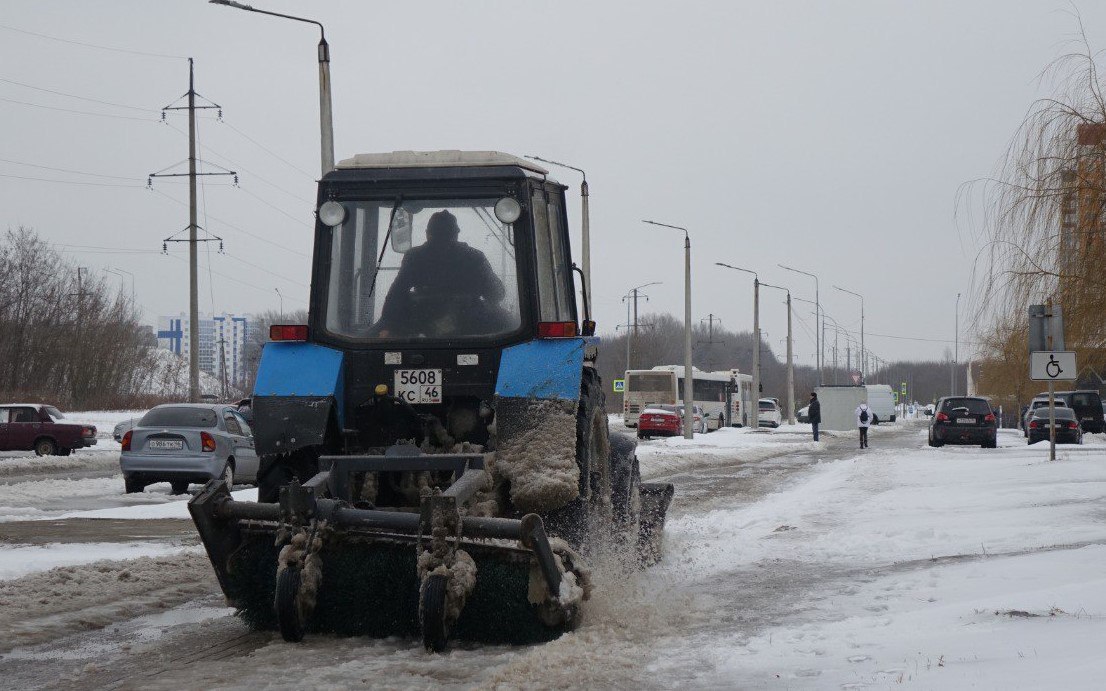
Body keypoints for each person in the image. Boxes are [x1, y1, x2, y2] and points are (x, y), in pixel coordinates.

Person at [377, 210, 507, 336]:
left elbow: (396, 293)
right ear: (456, 234)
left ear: (428, 234)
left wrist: (387, 325)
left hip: (422, 322)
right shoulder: (474, 257)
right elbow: (496, 294)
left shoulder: (415, 256)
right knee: (509, 325)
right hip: (469, 324)